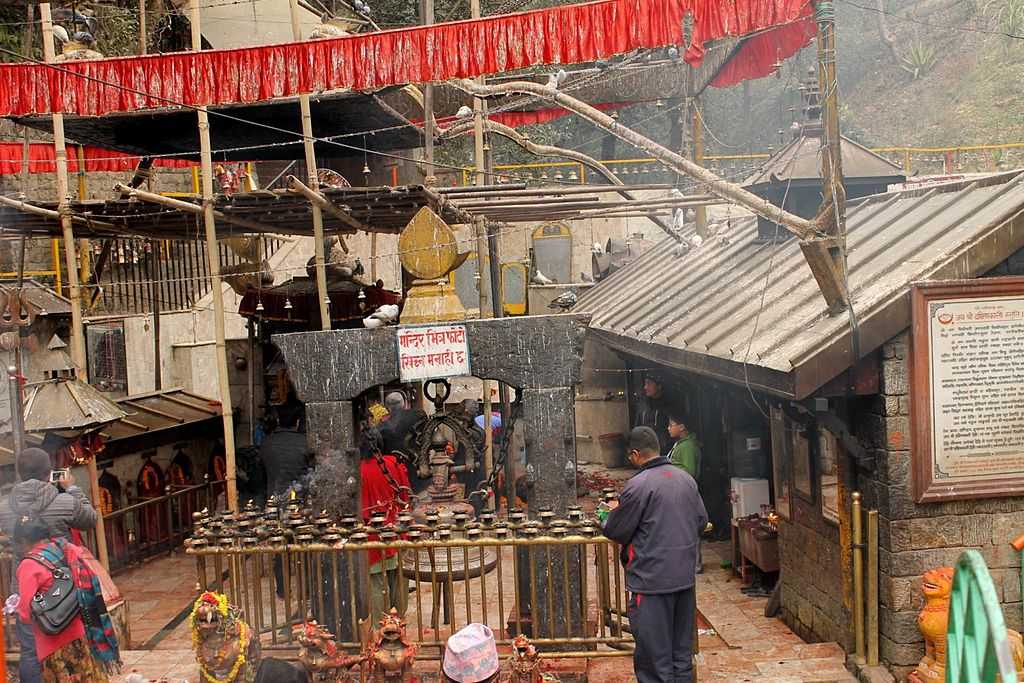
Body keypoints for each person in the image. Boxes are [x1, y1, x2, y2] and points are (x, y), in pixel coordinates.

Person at [603, 427, 707, 683]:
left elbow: (616, 528)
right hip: (684, 580)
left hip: (651, 584)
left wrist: (607, 515)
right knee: (681, 658)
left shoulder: (638, 486)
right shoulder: (686, 480)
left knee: (654, 662)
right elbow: (701, 521)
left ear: (636, 454)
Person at [0, 448, 98, 683]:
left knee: (31, 652)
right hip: (65, 589)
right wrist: (72, 488)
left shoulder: (4, 508)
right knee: (71, 647)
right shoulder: (64, 501)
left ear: (20, 473)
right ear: (48, 474)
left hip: (26, 588)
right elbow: (90, 519)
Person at [14, 512, 121, 682]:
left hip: (53, 645)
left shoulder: (29, 565)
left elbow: (26, 613)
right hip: (83, 633)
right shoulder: (67, 549)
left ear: (23, 541)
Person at [259, 402, 311, 598]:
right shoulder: (305, 442)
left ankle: (282, 589)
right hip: (300, 503)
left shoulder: (267, 444)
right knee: (304, 546)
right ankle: (305, 590)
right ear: (298, 421)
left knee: (279, 548)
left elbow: (263, 471)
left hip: (274, 501)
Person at [360, 427, 411, 622]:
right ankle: (399, 623)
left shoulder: (359, 471)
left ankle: (380, 627)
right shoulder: (394, 464)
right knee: (400, 579)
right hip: (398, 533)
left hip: (374, 537)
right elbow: (406, 497)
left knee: (377, 583)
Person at [667, 414, 703, 573]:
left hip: (685, 493)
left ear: (681, 427)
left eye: (671, 424)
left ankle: (695, 564)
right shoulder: (680, 444)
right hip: (678, 492)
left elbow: (690, 471)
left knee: (690, 528)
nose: (668, 428)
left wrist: (669, 470)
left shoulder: (687, 447)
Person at [633, 375, 673, 454]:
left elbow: (673, 428)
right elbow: (637, 426)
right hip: (646, 449)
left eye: (649, 384)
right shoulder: (643, 404)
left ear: (659, 386)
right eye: (645, 384)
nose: (645, 387)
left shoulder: (668, 404)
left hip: (664, 450)